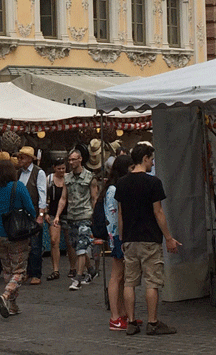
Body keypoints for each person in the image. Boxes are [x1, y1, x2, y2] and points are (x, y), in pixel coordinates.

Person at [115, 142, 179, 336]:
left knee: (129, 282)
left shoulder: (122, 183)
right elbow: (158, 212)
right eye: (151, 159)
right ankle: (152, 322)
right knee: (152, 282)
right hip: (150, 237)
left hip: (130, 238)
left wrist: (122, 237)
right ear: (145, 159)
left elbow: (120, 213)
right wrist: (168, 237)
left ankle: (132, 322)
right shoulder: (153, 183)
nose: (152, 162)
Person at [0, 158, 35, 318]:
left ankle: (12, 305)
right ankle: (6, 295)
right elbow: (30, 209)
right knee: (19, 270)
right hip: (16, 233)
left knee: (7, 269)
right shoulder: (18, 187)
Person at [57, 147, 98, 290]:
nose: (71, 162)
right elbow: (63, 198)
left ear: (80, 159)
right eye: (70, 159)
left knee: (81, 247)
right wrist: (57, 215)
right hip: (72, 216)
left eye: (74, 159)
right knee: (77, 246)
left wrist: (95, 216)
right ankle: (91, 270)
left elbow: (94, 198)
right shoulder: (67, 178)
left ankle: (78, 278)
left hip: (85, 215)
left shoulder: (89, 177)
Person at [103, 153, 135, 331]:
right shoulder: (114, 189)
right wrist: (118, 236)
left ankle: (122, 313)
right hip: (116, 235)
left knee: (122, 276)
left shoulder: (115, 187)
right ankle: (115, 315)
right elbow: (113, 215)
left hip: (117, 234)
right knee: (117, 275)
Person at [15, 146, 47, 284]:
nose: (19, 160)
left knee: (35, 245)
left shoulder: (38, 173)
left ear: (29, 159)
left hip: (33, 212)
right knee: (23, 244)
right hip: (21, 214)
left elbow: (42, 194)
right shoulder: (18, 173)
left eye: (21, 157)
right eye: (18, 157)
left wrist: (41, 214)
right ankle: (26, 271)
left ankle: (36, 273)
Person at [45, 157, 67, 281]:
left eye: (63, 168)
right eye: (59, 168)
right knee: (54, 241)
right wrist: (46, 212)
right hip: (53, 213)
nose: (61, 171)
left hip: (68, 213)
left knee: (70, 243)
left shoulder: (68, 179)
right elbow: (45, 195)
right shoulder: (49, 180)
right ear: (54, 168)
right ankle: (55, 269)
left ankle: (73, 268)